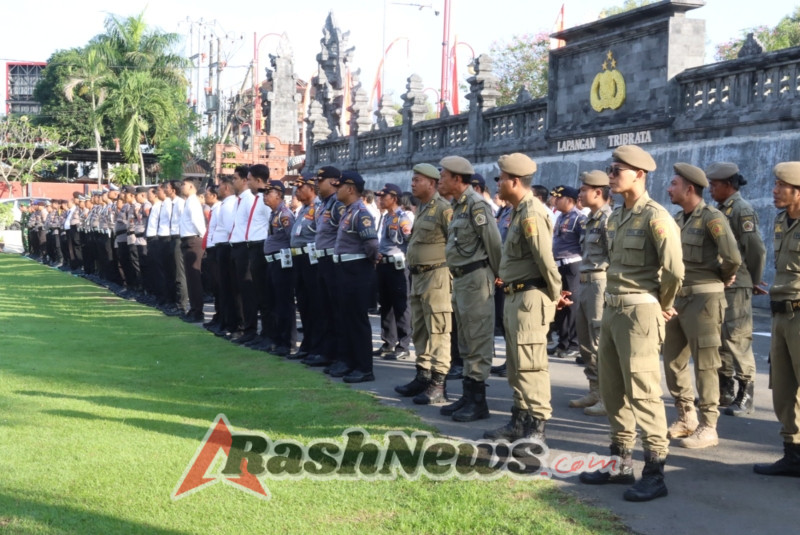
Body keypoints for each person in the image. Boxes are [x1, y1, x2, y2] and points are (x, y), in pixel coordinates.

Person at [578, 145, 684, 503]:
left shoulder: (656, 217)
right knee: (612, 389)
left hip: (639, 311)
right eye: (610, 167)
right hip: (611, 308)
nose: (610, 173)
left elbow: (673, 270)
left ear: (639, 174)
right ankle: (620, 463)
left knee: (642, 391)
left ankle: (655, 470)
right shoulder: (617, 216)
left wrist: (661, 304)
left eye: (617, 168)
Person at [483, 153, 564, 445]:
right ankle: (519, 421)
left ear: (514, 181)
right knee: (517, 365)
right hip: (516, 295)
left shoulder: (531, 213)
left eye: (502, 178)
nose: (499, 183)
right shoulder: (518, 210)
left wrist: (553, 298)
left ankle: (536, 432)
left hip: (530, 297)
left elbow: (545, 260)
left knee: (531, 366)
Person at [663, 163, 741, 449]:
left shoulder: (712, 217)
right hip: (677, 298)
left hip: (704, 299)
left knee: (706, 364)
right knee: (672, 361)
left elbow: (732, 256)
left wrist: (720, 277)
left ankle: (709, 426)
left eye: (673, 184)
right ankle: (686, 417)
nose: (669, 189)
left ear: (689, 189)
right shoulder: (677, 219)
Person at [437, 155, 502, 422]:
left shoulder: (477, 206)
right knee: (464, 340)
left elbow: (494, 245)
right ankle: (467, 396)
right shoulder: (460, 206)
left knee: (476, 340)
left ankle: (478, 401)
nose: (439, 180)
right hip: (462, 279)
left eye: (443, 176)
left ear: (456, 179)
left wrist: (499, 277)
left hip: (476, 279)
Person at [706, 162, 767, 417]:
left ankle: (746, 393)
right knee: (720, 338)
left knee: (737, 337)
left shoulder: (741, 210)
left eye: (715, 185)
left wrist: (753, 279)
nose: (711, 189)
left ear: (728, 185)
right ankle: (726, 389)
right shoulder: (720, 209)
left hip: (738, 282)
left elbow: (755, 249)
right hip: (721, 282)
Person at [753, 162, 800, 477]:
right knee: (783, 389)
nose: (774, 190)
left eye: (780, 185)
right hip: (780, 313)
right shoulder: (781, 220)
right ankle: (793, 455)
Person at [394, 163, 453, 404]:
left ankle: (439, 384)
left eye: (417, 179)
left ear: (431, 183)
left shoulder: (443, 209)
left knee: (438, 330)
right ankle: (423, 375)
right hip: (418, 276)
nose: (412, 183)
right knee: (419, 330)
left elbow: (455, 243)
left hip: (437, 276)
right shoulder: (423, 208)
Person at [569, 170, 613, 417]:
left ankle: (607, 397)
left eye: (584, 189)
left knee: (599, 342)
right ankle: (594, 390)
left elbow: (613, 257)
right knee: (585, 342)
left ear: (598, 192)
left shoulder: (609, 220)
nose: (580, 193)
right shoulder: (590, 219)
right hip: (585, 284)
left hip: (599, 284)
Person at [332, 170, 379, 383]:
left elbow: (371, 245)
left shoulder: (361, 213)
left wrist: (365, 264)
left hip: (357, 270)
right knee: (347, 318)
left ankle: (364, 367)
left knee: (357, 320)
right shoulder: (348, 211)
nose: (336, 189)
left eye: (339, 186)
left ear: (350, 189)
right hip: (345, 270)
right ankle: (351, 362)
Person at [308, 166, 347, 370]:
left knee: (336, 310)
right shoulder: (324, 204)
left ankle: (339, 355)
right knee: (324, 309)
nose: (316, 183)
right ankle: (327, 351)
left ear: (333, 181)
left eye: (320, 180)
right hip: (321, 260)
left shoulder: (338, 205)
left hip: (333, 261)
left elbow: (344, 234)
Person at [373, 183, 413, 360]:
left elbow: (410, 241)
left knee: (401, 305)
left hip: (398, 266)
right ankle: (388, 342)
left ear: (394, 198)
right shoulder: (387, 217)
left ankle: (403, 345)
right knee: (386, 305)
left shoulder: (402, 218)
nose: (380, 200)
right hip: (384, 265)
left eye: (384, 197)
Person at [289, 173, 324, 363]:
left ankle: (316, 345)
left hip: (311, 259)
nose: (296, 191)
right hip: (299, 259)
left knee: (314, 304)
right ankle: (308, 343)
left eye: (300, 187)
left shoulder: (318, 208)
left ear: (311, 188)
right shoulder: (302, 209)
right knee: (303, 303)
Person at [550, 185, 586, 360]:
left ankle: (573, 343)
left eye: (559, 197)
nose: (555, 200)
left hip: (572, 264)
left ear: (569, 200)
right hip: (559, 264)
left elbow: (585, 244)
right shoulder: (561, 217)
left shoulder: (579, 218)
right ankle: (563, 341)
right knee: (561, 305)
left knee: (572, 305)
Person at [262, 179, 297, 356]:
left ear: (279, 195)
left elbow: (293, 239)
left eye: (269, 193)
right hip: (273, 261)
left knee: (284, 303)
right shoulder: (274, 213)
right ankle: (278, 339)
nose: (265, 196)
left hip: (282, 262)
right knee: (274, 302)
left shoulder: (285, 215)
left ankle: (288, 342)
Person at [178, 178, 208, 323]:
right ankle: (194, 308)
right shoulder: (189, 201)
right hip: (188, 240)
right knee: (190, 278)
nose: (181, 186)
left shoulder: (194, 201)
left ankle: (198, 311)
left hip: (193, 240)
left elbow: (198, 223)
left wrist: (203, 239)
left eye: (183, 184)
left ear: (191, 186)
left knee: (194, 278)